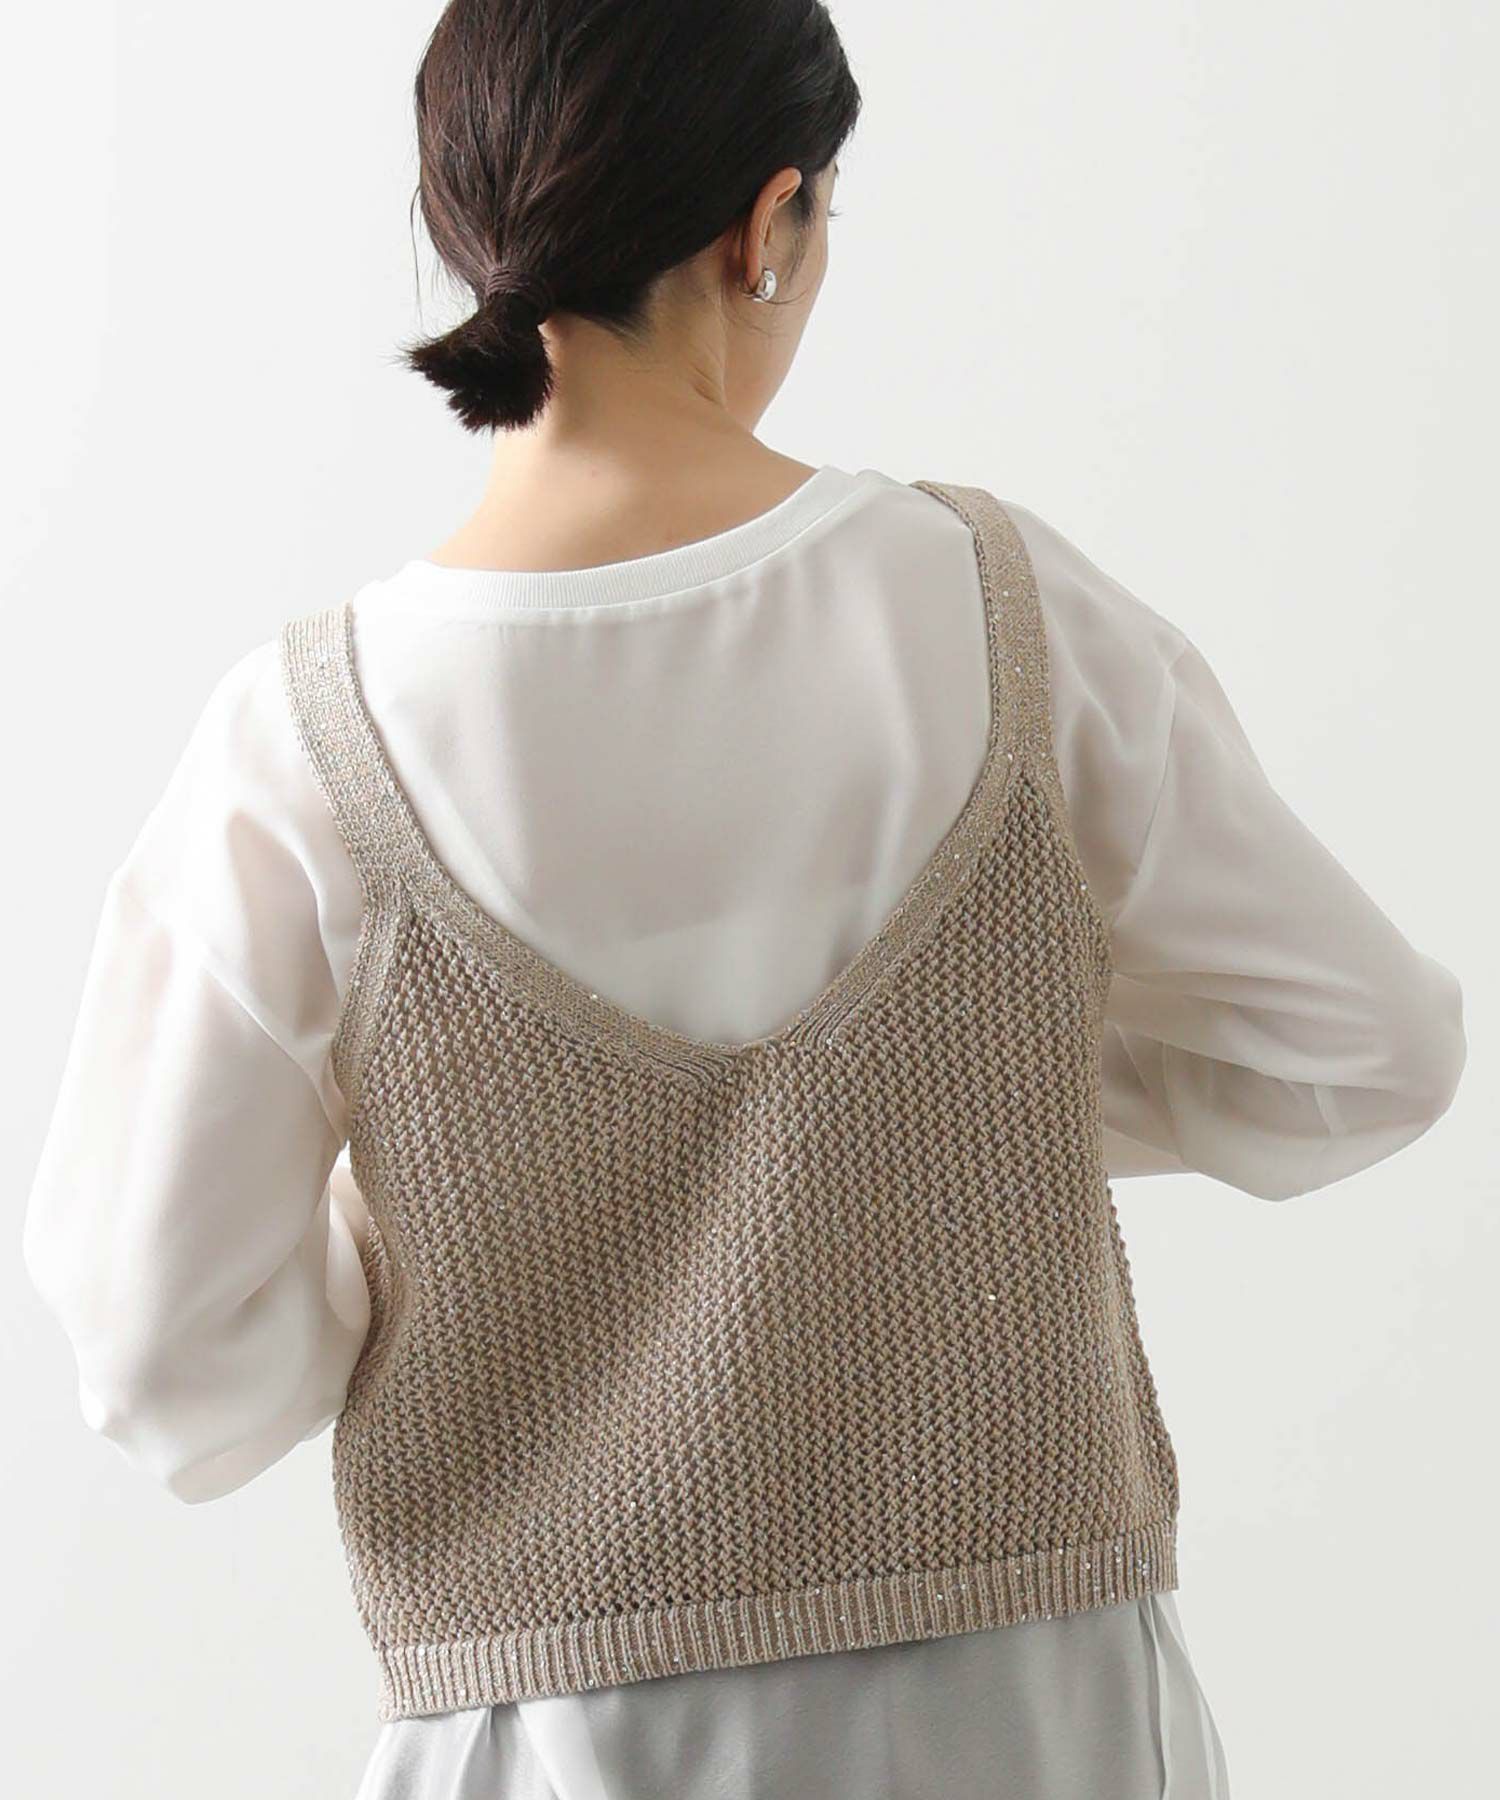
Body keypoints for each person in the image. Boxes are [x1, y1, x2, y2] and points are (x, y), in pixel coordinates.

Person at [21, 3, 1467, 1796]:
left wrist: (446, 1190)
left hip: (546, 1737)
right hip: (1044, 1717)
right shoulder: (1007, 612)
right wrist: (968, 1098)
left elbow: (172, 1369)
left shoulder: (302, 749)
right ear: (767, 224)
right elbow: (1367, 1055)